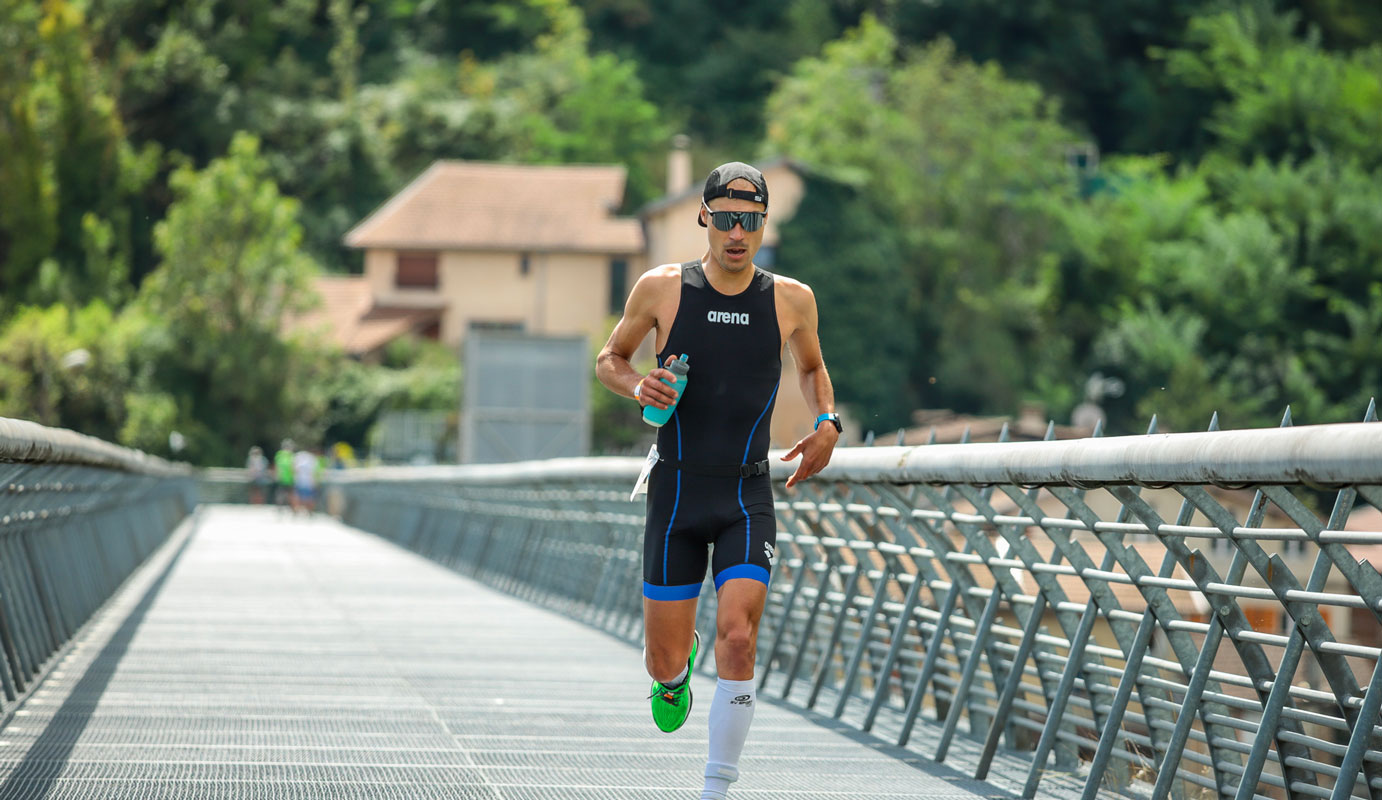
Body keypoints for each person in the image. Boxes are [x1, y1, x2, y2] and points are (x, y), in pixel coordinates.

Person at [595, 162, 841, 800]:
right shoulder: (661, 288)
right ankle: (673, 672)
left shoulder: (791, 298)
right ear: (703, 217)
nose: (737, 233)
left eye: (750, 220)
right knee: (665, 659)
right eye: (726, 219)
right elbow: (610, 359)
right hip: (675, 492)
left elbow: (813, 369)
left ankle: (717, 788)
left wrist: (827, 421)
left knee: (739, 634)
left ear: (763, 225)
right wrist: (637, 384)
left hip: (745, 494)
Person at [273, 439, 295, 514]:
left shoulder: (280, 454)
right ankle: (290, 509)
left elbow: (277, 466)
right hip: (287, 478)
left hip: (283, 478)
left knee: (282, 494)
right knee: (288, 494)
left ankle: (281, 508)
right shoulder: (290, 455)